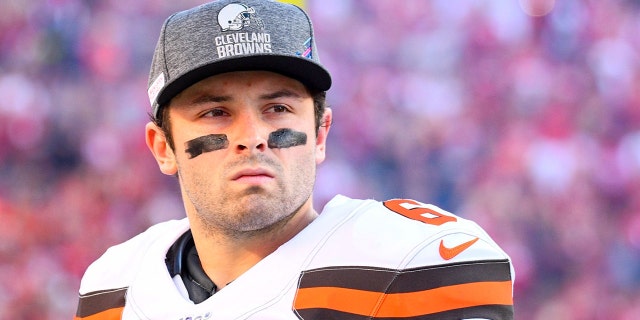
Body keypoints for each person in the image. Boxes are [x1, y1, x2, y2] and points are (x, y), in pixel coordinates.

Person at [74, 0, 515, 319]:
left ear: (321, 133)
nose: (252, 137)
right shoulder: (114, 286)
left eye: (277, 109)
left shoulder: (405, 266)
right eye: (215, 112)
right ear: (163, 147)